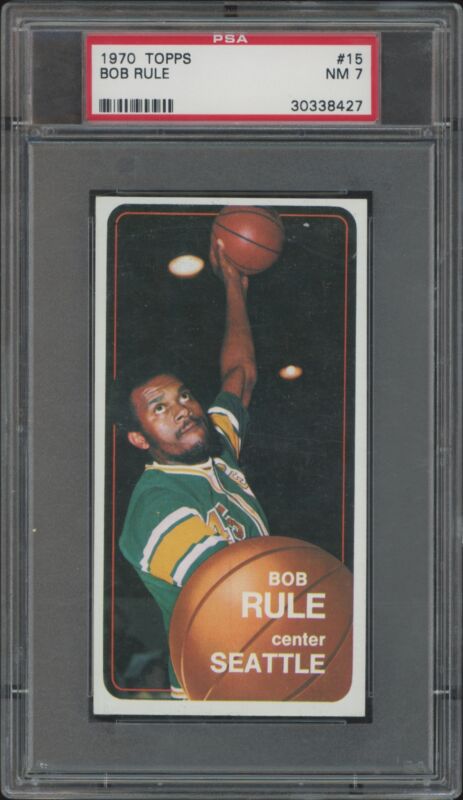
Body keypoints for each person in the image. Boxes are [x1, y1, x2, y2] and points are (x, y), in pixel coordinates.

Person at [118, 240, 270, 697]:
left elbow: (240, 374)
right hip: (213, 690)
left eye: (183, 395)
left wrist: (233, 283)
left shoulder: (216, 451)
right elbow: (231, 591)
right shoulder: (155, 505)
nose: (182, 409)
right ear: (139, 439)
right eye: (159, 408)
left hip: (261, 666)